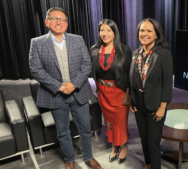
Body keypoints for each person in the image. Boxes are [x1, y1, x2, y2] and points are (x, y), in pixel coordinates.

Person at [29, 7, 101, 169]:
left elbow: (86, 64)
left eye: (62, 19)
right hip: (55, 96)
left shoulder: (78, 39)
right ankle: (69, 160)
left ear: (67, 23)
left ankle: (88, 157)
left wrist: (73, 84)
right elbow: (35, 70)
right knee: (62, 131)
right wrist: (59, 87)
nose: (59, 22)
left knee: (85, 128)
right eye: (54, 18)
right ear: (47, 22)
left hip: (79, 93)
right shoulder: (37, 43)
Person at [129, 18, 173, 169]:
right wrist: (132, 100)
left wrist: (163, 107)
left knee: (153, 142)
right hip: (139, 103)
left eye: (149, 31)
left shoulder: (164, 54)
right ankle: (147, 164)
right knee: (143, 138)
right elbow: (133, 79)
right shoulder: (135, 54)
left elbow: (167, 83)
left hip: (155, 104)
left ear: (156, 35)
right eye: (142, 30)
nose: (145, 34)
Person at [90, 19, 132, 164]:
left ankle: (124, 146)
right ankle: (115, 147)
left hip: (119, 92)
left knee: (120, 122)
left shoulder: (124, 50)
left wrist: (128, 94)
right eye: (102, 30)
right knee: (109, 122)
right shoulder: (94, 50)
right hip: (103, 93)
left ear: (114, 33)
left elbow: (128, 74)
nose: (105, 33)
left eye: (109, 30)